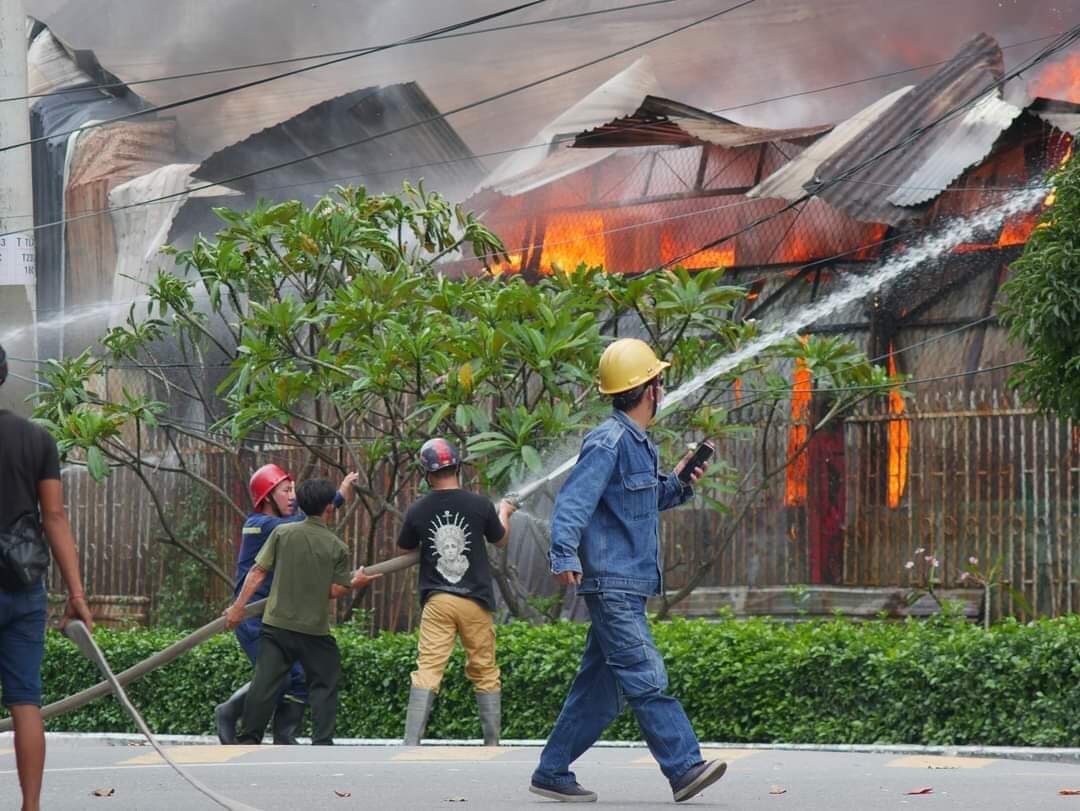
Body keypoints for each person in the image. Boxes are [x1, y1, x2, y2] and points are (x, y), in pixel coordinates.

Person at [530, 338, 726, 804]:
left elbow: (635, 503)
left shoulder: (639, 445)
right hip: (612, 584)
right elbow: (574, 502)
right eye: (659, 379)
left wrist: (677, 483)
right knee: (644, 671)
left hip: (629, 583)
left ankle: (552, 770)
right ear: (650, 388)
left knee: (602, 691)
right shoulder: (610, 441)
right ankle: (683, 768)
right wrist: (564, 556)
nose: (663, 386)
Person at [0, 343, 93, 811]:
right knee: (25, 703)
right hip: (24, 585)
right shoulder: (37, 439)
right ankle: (31, 806)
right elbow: (54, 517)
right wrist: (76, 592)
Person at [224, 478, 378, 745]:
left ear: (302, 505)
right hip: (313, 631)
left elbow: (258, 572)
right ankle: (322, 740)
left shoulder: (283, 534)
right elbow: (334, 591)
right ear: (329, 508)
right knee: (325, 679)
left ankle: (251, 737)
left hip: (276, 626)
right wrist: (356, 582)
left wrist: (237, 608)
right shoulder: (336, 546)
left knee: (266, 681)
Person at [396, 438, 516, 746]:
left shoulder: (418, 509)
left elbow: (405, 546)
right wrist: (505, 511)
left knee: (429, 667)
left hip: (439, 601)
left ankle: (411, 741)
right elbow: (500, 540)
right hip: (474, 600)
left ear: (427, 473)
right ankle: (491, 742)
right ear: (458, 466)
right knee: (484, 669)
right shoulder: (479, 505)